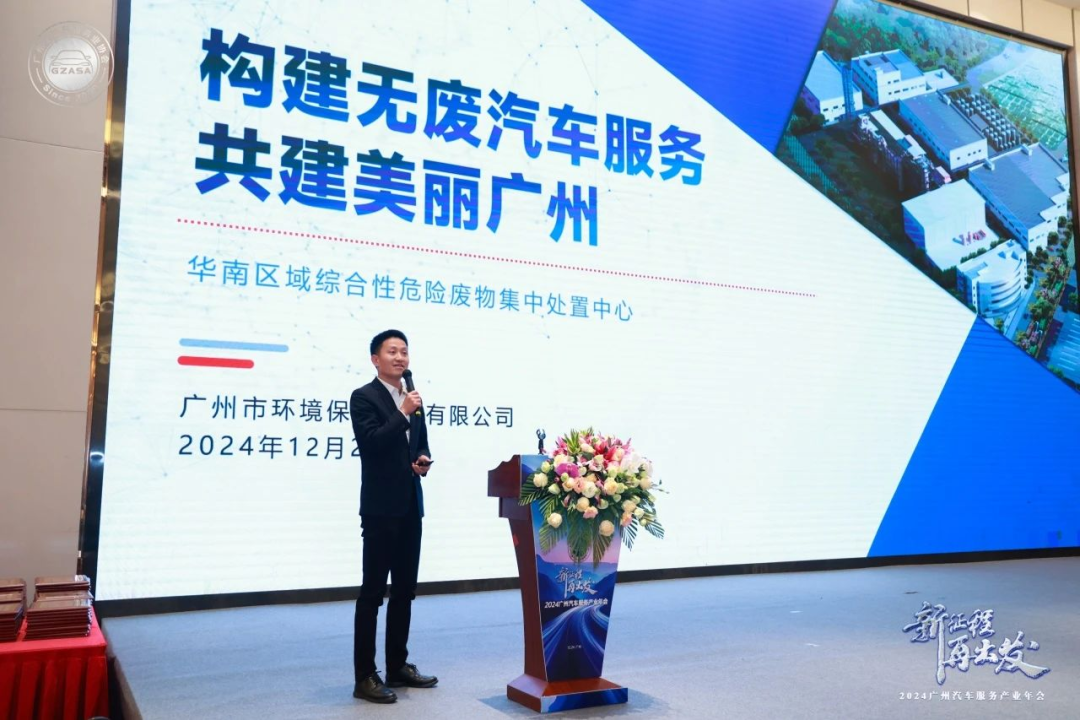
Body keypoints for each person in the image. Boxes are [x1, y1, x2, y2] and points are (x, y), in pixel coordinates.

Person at [349, 329, 437, 703]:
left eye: (404, 351)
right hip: (380, 508)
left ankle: (397, 666)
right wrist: (402, 413)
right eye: (392, 351)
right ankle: (364, 676)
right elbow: (371, 444)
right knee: (373, 593)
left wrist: (422, 460)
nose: (400, 357)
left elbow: (418, 444)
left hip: (410, 505)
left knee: (404, 591)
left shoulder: (412, 398)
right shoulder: (364, 397)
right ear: (375, 359)